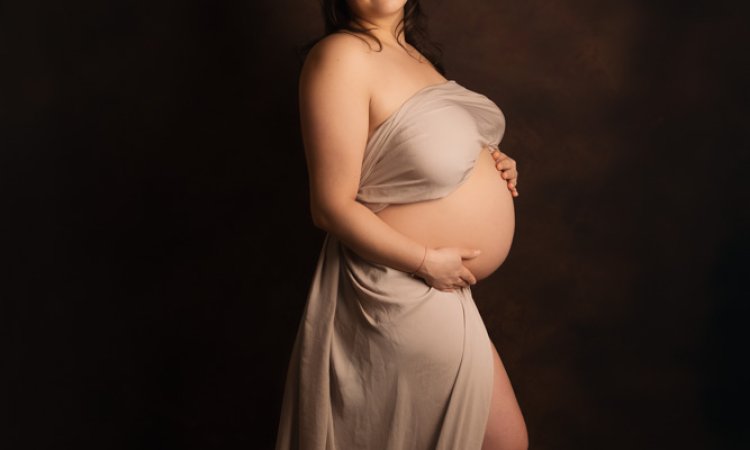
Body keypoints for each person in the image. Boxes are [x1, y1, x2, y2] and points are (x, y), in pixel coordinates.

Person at [276, 1, 527, 449]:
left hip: (442, 289)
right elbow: (330, 206)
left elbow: (414, 156)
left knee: (503, 441)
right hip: (399, 285)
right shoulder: (341, 55)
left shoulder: (417, 58)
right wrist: (428, 261)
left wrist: (490, 162)